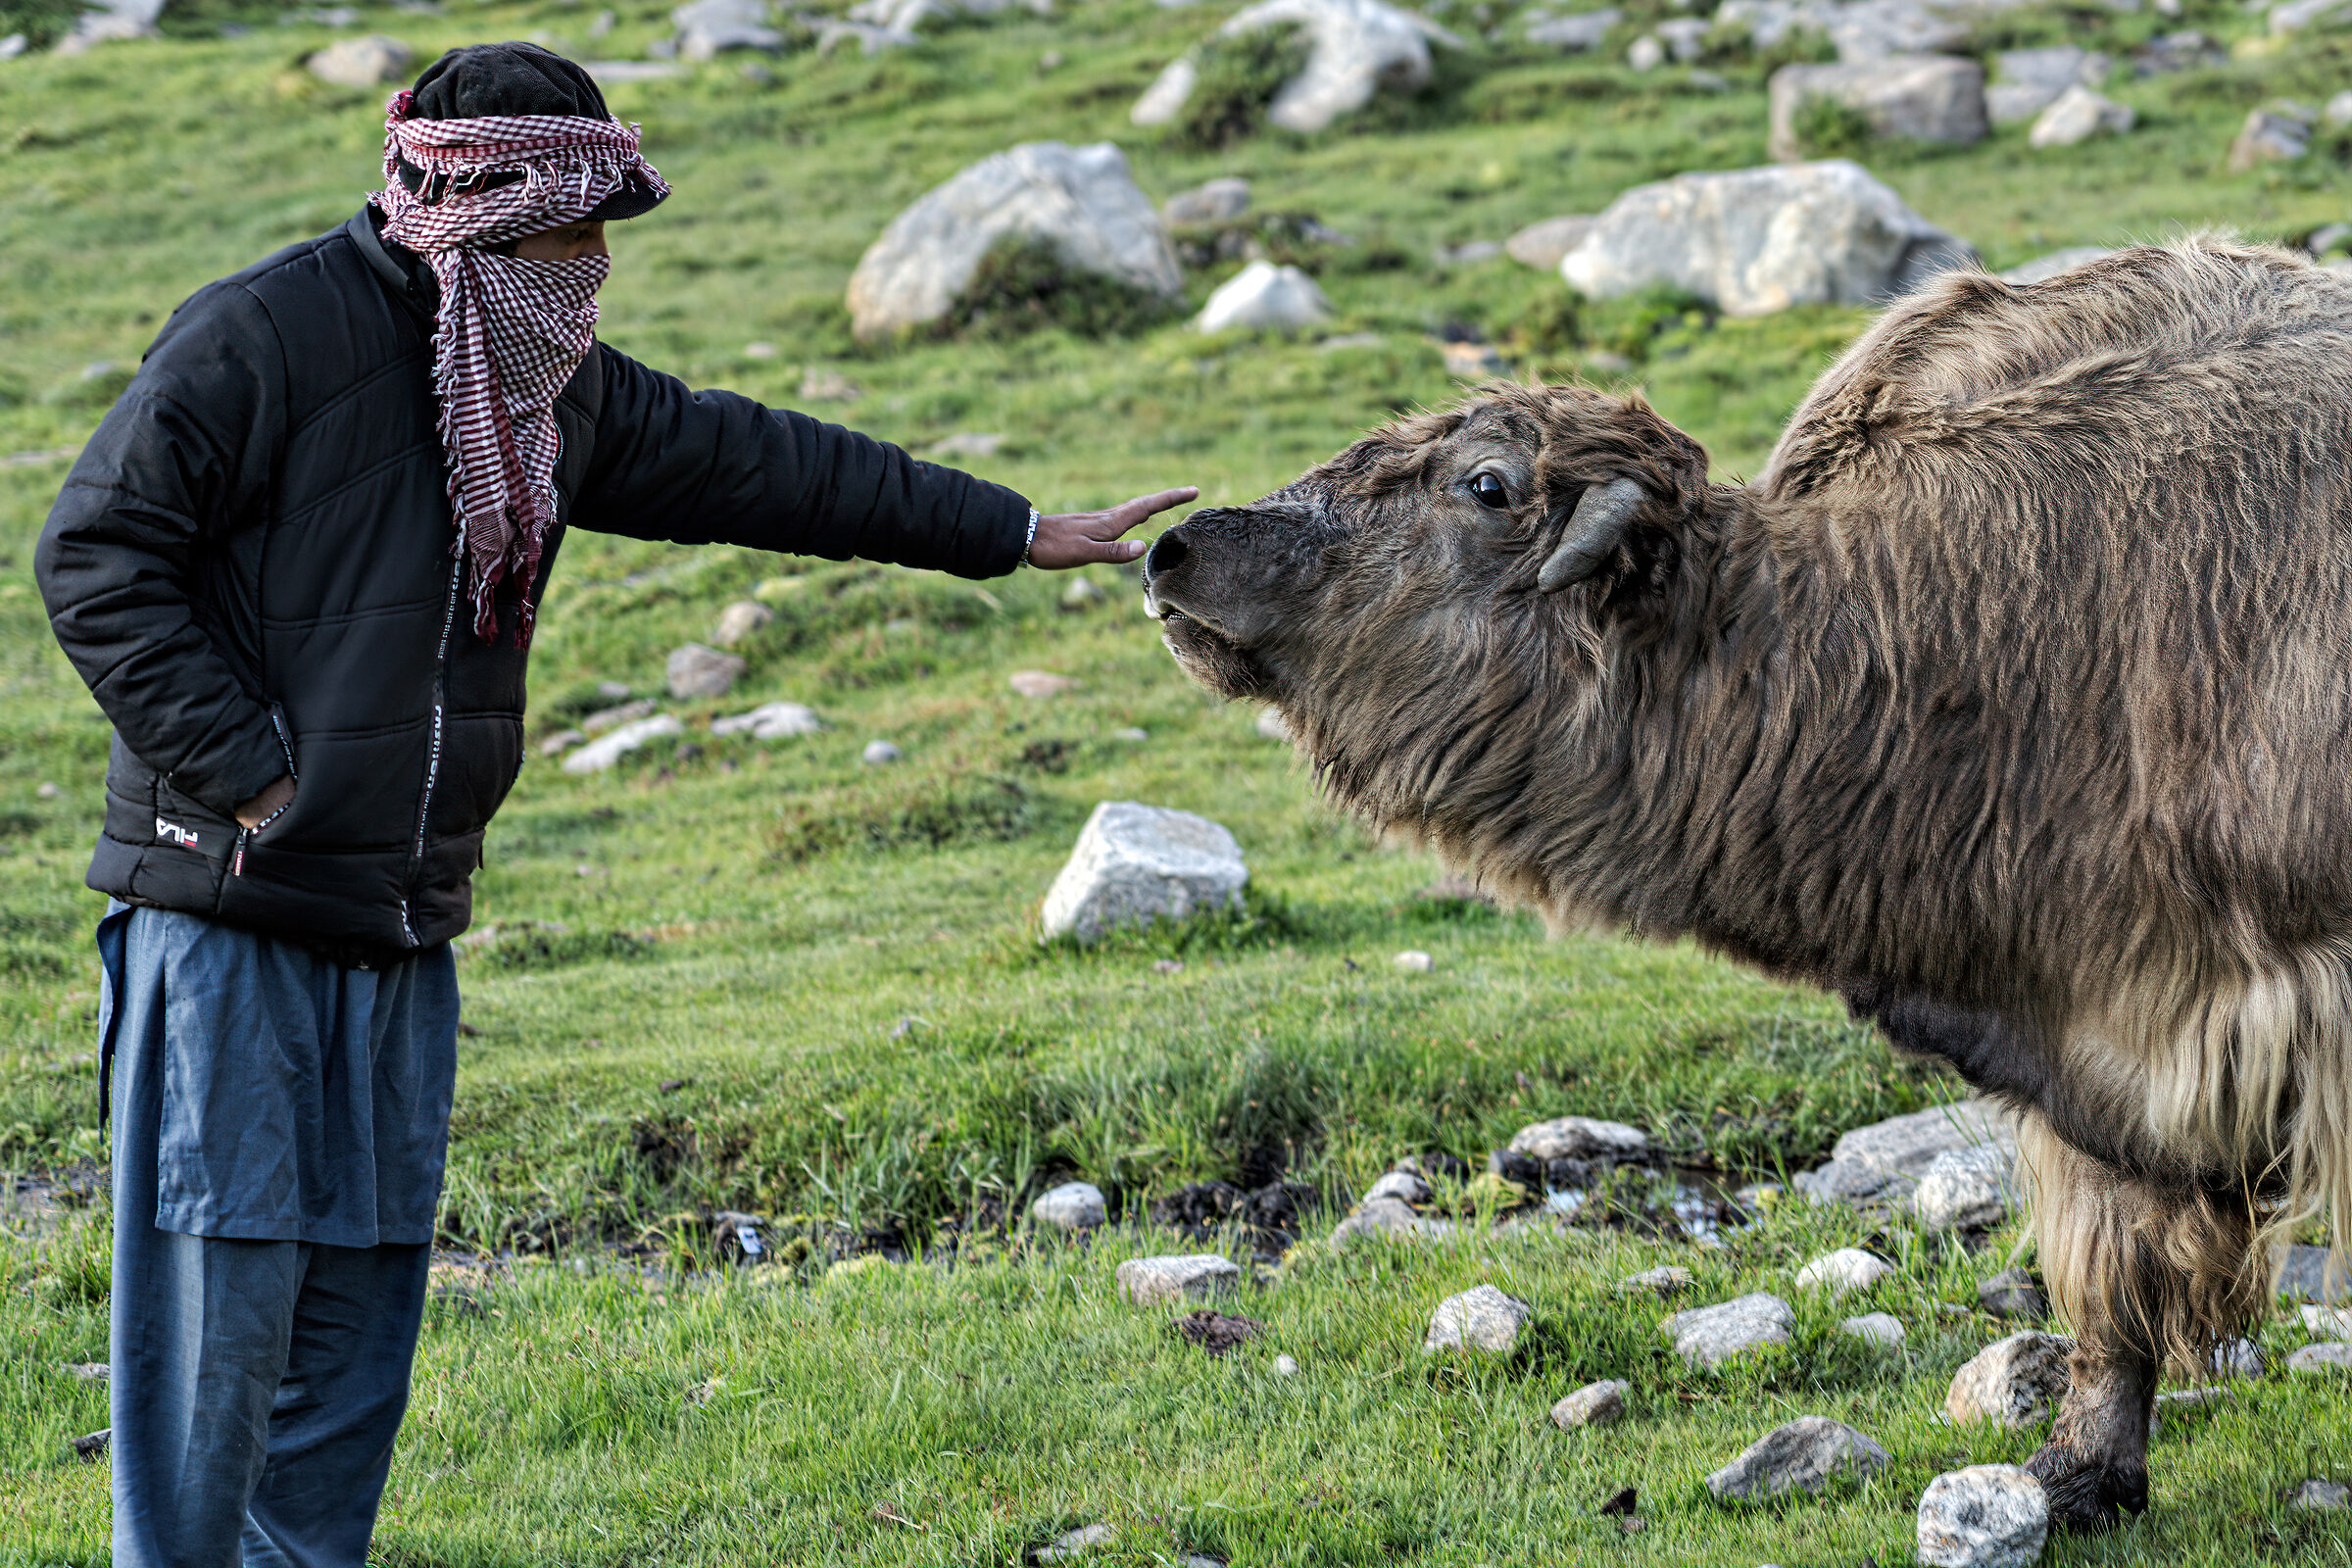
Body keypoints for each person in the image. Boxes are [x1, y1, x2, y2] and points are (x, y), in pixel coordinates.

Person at [32, 41, 1193, 1568]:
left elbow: (764, 466)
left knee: (355, 1345)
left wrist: (1016, 532)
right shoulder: (267, 336)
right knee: (214, 1352)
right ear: (474, 216)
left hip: (396, 932)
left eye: (599, 238)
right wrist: (251, 774)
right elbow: (95, 559)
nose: (588, 272)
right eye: (567, 236)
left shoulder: (537, 387)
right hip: (228, 924)